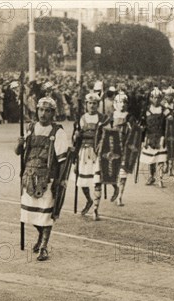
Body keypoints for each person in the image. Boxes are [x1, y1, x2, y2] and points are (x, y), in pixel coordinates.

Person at [15, 97, 69, 260]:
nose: (43, 114)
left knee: (45, 215)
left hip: (47, 178)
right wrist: (20, 143)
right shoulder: (31, 128)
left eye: (47, 111)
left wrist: (59, 181)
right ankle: (40, 238)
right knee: (30, 213)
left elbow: (63, 160)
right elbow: (19, 152)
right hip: (29, 176)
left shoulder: (58, 132)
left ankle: (44, 246)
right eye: (40, 110)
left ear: (53, 113)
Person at [73, 93, 108, 217]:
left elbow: (107, 135)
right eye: (89, 103)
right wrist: (76, 135)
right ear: (86, 105)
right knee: (82, 181)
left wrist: (102, 143)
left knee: (97, 181)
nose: (92, 105)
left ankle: (95, 209)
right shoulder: (81, 118)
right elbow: (76, 139)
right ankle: (89, 200)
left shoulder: (103, 118)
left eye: (94, 103)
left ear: (98, 105)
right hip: (84, 152)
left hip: (97, 153)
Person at [141, 88, 172, 188]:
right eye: (154, 98)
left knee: (161, 158)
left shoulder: (164, 109)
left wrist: (170, 114)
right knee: (151, 159)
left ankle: (160, 178)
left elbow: (171, 120)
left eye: (158, 98)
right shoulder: (146, 109)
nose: (156, 100)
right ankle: (151, 176)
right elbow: (142, 123)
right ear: (150, 98)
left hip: (161, 136)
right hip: (149, 136)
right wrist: (142, 134)